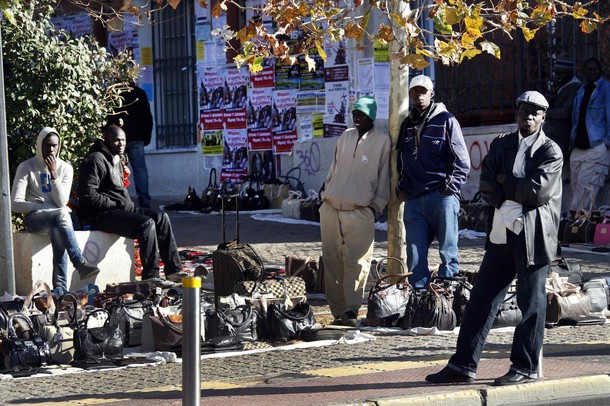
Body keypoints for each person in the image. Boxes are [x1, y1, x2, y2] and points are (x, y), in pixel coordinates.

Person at [425, 91, 563, 386]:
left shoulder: (550, 151)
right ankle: (462, 364)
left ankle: (524, 367)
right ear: (516, 112)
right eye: (524, 110)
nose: (529, 115)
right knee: (481, 299)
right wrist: (510, 188)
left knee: (531, 304)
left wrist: (505, 183)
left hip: (533, 237)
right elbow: (487, 184)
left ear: (543, 118)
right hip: (501, 233)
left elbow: (537, 192)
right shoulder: (502, 144)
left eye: (536, 112)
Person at [77, 125, 184, 287]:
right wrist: (114, 203)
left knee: (161, 217)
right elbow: (87, 195)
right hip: (101, 214)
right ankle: (151, 276)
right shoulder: (95, 159)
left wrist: (121, 203)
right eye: (116, 140)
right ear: (106, 139)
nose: (121, 144)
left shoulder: (116, 158)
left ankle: (173, 270)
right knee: (146, 225)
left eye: (123, 140)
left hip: (121, 209)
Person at [320, 96, 391, 327]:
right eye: (355, 113)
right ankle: (337, 309)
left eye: (361, 113)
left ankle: (351, 309)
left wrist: (375, 207)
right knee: (332, 260)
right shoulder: (346, 136)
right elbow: (334, 167)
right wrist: (325, 193)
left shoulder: (382, 141)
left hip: (360, 210)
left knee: (357, 262)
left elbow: (384, 177)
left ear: (371, 115)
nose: (357, 117)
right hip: (331, 207)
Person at [396, 75, 470, 289]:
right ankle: (419, 297)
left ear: (432, 93)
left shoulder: (446, 120)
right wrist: (402, 188)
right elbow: (400, 158)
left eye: (423, 91)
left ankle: (447, 292)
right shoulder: (406, 125)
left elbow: (462, 159)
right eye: (415, 91)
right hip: (414, 198)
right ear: (410, 94)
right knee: (414, 253)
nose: (419, 95)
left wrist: (450, 187)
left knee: (448, 250)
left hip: (441, 195)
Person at [11, 127, 100, 294]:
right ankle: (79, 263)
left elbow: (61, 201)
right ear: (39, 145)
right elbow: (15, 204)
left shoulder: (65, 168)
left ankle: (59, 289)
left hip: (58, 220)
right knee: (62, 214)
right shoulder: (26, 167)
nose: (51, 150)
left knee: (59, 225)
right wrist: (40, 207)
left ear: (59, 146)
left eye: (55, 146)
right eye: (47, 145)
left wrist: (53, 174)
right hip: (35, 219)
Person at [568, 58, 610, 212]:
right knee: (577, 189)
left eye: (595, 69)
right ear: (584, 72)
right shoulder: (581, 91)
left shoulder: (606, 89)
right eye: (589, 69)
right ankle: (585, 229)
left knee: (584, 190)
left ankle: (574, 225)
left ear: (600, 70)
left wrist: (606, 143)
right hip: (578, 148)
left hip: (596, 147)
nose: (592, 72)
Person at [109, 82, 154, 209]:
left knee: (117, 168)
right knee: (140, 169)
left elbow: (108, 117)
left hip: (117, 138)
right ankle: (144, 199)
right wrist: (146, 138)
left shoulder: (114, 94)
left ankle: (120, 199)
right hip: (137, 138)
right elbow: (148, 118)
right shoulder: (139, 93)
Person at [543, 54, 581, 164]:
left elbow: (565, 112)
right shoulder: (559, 86)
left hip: (562, 139)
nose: (557, 76)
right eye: (556, 73)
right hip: (551, 137)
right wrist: (551, 91)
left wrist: (544, 114)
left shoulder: (575, 87)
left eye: (561, 73)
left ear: (569, 73)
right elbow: (545, 105)